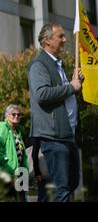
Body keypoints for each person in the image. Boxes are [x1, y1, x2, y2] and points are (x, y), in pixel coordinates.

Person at [28, 22, 83, 202]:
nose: (65, 40)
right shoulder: (39, 64)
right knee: (61, 188)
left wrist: (76, 84)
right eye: (60, 36)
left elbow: (66, 94)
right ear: (47, 40)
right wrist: (70, 87)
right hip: (53, 136)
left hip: (67, 134)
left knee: (69, 183)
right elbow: (41, 94)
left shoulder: (59, 65)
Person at [0, 104, 28, 201]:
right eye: (13, 114)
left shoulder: (18, 130)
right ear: (7, 116)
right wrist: (6, 165)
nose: (17, 116)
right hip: (6, 172)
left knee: (20, 199)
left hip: (20, 173)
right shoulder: (3, 127)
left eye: (18, 115)